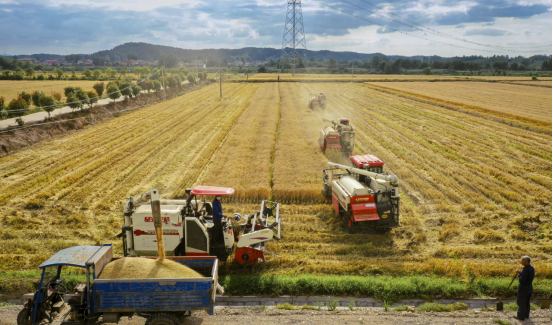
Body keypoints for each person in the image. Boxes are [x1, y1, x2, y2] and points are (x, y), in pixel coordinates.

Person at [516, 256, 535, 320]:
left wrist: (518, 274)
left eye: (522, 260)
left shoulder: (525, 269)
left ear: (526, 261)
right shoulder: (531, 268)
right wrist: (520, 273)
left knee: (521, 302)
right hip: (529, 287)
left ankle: (521, 316)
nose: (521, 262)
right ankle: (526, 315)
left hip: (523, 288)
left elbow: (522, 280)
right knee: (527, 301)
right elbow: (526, 276)